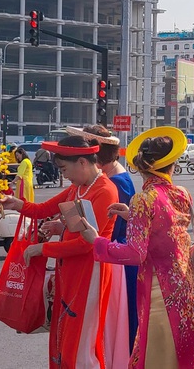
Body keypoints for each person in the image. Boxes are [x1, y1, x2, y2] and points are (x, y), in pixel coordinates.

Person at [80, 126, 194, 368]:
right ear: (172, 164)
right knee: (185, 355)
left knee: (157, 358)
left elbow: (135, 253)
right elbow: (166, 228)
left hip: (161, 292)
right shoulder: (182, 193)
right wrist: (132, 217)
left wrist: (97, 241)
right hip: (188, 287)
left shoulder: (144, 199)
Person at [1, 135, 126, 369]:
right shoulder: (78, 188)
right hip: (69, 268)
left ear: (82, 162)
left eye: (64, 168)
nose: (63, 175)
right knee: (65, 333)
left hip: (91, 272)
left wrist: (43, 248)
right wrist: (17, 204)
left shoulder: (104, 190)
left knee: (82, 340)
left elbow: (86, 244)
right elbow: (43, 209)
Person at [76, 123, 138, 353]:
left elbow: (109, 228)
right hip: (114, 253)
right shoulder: (112, 176)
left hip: (116, 258)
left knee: (116, 328)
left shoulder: (115, 182)